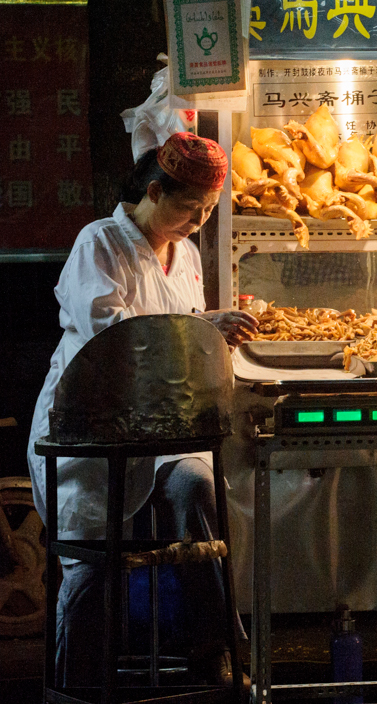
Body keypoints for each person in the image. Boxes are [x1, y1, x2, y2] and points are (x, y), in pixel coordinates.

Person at [27, 132, 257, 688]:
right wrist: (201, 331)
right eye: (188, 208)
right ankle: (76, 684)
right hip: (91, 433)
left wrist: (215, 333)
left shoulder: (187, 256)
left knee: (196, 487)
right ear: (154, 191)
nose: (198, 222)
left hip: (162, 434)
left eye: (207, 211)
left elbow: (185, 341)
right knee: (89, 568)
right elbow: (115, 338)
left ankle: (213, 652)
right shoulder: (100, 243)